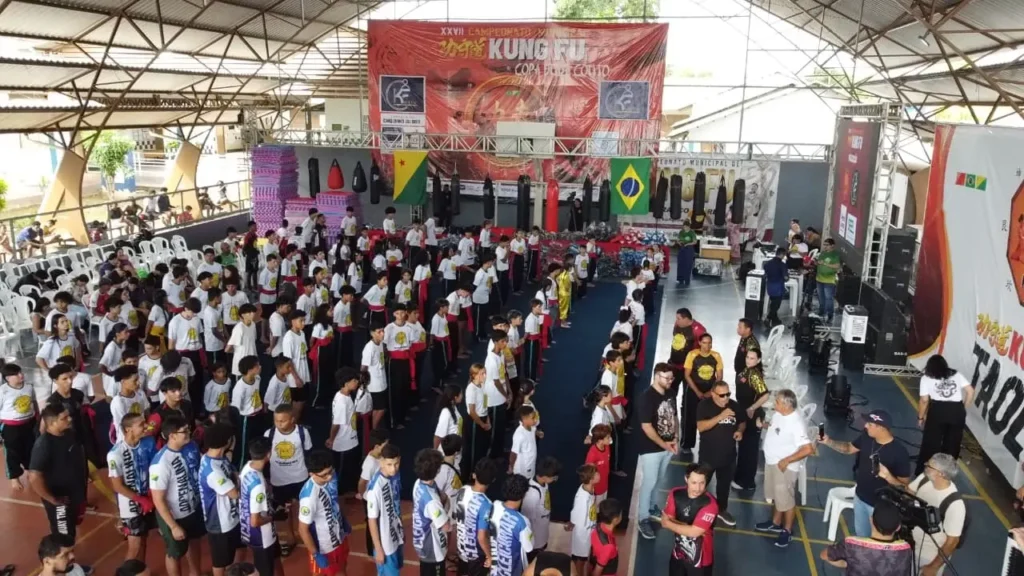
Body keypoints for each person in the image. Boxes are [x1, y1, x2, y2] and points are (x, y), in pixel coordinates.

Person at [820, 409, 912, 538]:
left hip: (879, 507)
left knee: (878, 540)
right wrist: (828, 441)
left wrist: (888, 477)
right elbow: (849, 448)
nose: (865, 426)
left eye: (869, 424)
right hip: (860, 498)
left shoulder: (899, 453)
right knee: (861, 535)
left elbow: (904, 487)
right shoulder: (867, 437)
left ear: (881, 428)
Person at [753, 389, 813, 547]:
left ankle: (787, 530)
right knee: (777, 496)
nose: (774, 404)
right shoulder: (779, 414)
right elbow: (774, 427)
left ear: (787, 405)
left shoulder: (796, 423)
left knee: (787, 500)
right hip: (772, 462)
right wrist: (763, 425)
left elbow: (808, 449)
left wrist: (787, 460)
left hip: (784, 467)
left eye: (777, 402)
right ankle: (775, 522)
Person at [150, 415, 205, 576]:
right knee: (175, 553)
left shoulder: (191, 446)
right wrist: (173, 526)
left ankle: (195, 573)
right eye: (184, 431)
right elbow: (158, 499)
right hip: (175, 515)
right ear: (172, 436)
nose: (189, 433)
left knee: (194, 541)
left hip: (193, 508)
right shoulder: (161, 463)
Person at [29, 403, 88, 542]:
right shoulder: (44, 445)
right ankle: (64, 556)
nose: (70, 419)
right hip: (60, 499)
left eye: (68, 416)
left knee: (71, 529)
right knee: (63, 537)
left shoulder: (69, 434)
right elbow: (34, 477)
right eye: (64, 418)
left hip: (74, 493)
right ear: (52, 423)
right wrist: (52, 499)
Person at [108, 413, 159, 563]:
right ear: (128, 429)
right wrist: (140, 500)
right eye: (141, 424)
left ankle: (139, 570)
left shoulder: (149, 442)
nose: (146, 426)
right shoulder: (115, 454)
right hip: (129, 503)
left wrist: (150, 494)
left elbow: (155, 468)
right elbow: (117, 485)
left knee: (143, 539)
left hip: (148, 497)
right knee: (135, 545)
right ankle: (126, 572)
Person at [635, 363, 678, 540]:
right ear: (656, 376)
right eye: (667, 378)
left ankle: (652, 507)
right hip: (651, 448)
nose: (670, 381)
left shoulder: (671, 393)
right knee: (650, 481)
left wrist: (676, 437)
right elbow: (646, 427)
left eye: (671, 378)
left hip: (668, 445)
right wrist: (664, 444)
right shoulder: (646, 398)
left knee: (659, 479)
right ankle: (643, 517)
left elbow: (674, 416)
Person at [694, 381, 745, 527]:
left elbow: (742, 422)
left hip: (728, 457)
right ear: (713, 394)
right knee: (700, 485)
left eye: (728, 394)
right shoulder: (704, 406)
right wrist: (720, 416)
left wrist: (740, 431)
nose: (726, 398)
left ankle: (722, 510)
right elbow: (701, 427)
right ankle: (695, 509)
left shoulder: (734, 405)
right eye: (722, 395)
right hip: (708, 457)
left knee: (724, 487)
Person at [907, 453, 966, 576]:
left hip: (928, 556)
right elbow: (909, 491)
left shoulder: (955, 505)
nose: (925, 466)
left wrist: (933, 567)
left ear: (941, 474)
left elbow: (952, 541)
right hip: (909, 544)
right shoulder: (925, 478)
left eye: (929, 466)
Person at [916, 354, 974, 474]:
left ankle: (926, 470)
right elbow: (970, 391)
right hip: (957, 410)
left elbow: (924, 400)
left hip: (938, 410)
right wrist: (963, 407)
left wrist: (920, 417)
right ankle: (948, 472)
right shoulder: (956, 374)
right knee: (953, 442)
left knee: (931, 442)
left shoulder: (926, 378)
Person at [297, 449, 352, 576]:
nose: (329, 477)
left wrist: (342, 518)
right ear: (312, 474)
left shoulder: (331, 476)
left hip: (339, 536)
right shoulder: (309, 498)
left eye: (330, 471)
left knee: (342, 568)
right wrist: (315, 554)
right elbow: (302, 529)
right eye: (324, 475)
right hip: (324, 546)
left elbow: (334, 499)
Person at [820, 502, 913, 575]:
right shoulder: (906, 549)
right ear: (898, 527)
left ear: (871, 520)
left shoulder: (851, 545)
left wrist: (846, 563)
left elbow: (824, 555)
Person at [662, 463, 718, 576]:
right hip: (678, 554)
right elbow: (667, 520)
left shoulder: (710, 504)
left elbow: (694, 532)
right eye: (694, 483)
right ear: (686, 479)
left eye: (702, 483)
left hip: (701, 562)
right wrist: (689, 528)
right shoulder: (675, 494)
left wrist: (670, 524)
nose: (698, 488)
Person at [239, 438, 283, 576]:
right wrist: (274, 517)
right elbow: (255, 521)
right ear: (268, 454)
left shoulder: (247, 467)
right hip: (262, 537)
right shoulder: (258, 485)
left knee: (274, 562)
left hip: (250, 530)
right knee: (265, 572)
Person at [733, 348, 769, 491]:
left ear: (758, 360)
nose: (749, 360)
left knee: (749, 449)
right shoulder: (746, 371)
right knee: (743, 447)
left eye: (752, 358)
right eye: (748, 357)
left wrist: (752, 408)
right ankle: (740, 477)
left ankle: (747, 482)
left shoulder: (754, 375)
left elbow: (765, 395)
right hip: (743, 412)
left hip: (751, 416)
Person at [454, 458, 498, 576]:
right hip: (475, 557)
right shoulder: (486, 504)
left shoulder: (462, 490)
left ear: (474, 475)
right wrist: (489, 556)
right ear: (493, 480)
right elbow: (481, 536)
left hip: (461, 550)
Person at [365, 443, 404, 576]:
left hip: (395, 536)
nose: (393, 468)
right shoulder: (375, 488)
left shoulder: (395, 476)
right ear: (381, 462)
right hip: (385, 544)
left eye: (396, 463)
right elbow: (372, 520)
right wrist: (378, 549)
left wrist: (400, 531)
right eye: (389, 464)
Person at [682, 334, 722, 455]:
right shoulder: (692, 355)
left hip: (710, 389)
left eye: (709, 343)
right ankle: (687, 444)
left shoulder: (716, 356)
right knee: (690, 417)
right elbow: (687, 375)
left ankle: (708, 443)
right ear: (699, 343)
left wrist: (711, 392)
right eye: (704, 343)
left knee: (710, 417)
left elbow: (719, 376)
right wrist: (697, 392)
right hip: (693, 389)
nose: (707, 346)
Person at [411, 449, 449, 576]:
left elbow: (442, 496)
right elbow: (446, 526)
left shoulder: (418, 483)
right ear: (437, 470)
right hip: (433, 549)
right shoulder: (432, 501)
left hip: (422, 541)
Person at [490, 474, 534, 576]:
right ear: (523, 495)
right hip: (512, 570)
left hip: (495, 567)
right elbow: (529, 547)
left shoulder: (495, 505)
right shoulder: (522, 521)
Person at [523, 457, 560, 562]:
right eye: (554, 477)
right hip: (535, 541)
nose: (555, 479)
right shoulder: (532, 494)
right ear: (544, 477)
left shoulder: (545, 484)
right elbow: (528, 522)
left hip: (542, 534)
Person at [568, 464, 598, 576]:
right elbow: (577, 517)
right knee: (579, 561)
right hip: (582, 535)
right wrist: (571, 524)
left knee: (584, 559)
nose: (599, 475)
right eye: (596, 473)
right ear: (591, 478)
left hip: (589, 531)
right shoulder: (582, 498)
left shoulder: (590, 488)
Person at [589, 499, 622, 576]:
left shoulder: (598, 526)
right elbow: (596, 573)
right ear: (615, 520)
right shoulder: (608, 547)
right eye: (620, 514)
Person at [815, 238, 840, 324]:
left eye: (827, 245)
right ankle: (822, 312)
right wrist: (817, 263)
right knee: (821, 297)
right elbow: (819, 262)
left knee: (829, 298)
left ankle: (830, 315)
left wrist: (825, 263)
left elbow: (837, 266)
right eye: (824, 245)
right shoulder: (822, 253)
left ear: (832, 245)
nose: (825, 246)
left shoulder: (835, 254)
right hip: (819, 279)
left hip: (829, 280)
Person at [763, 248, 788, 327]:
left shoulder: (767, 263)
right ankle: (768, 318)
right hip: (778, 287)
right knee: (776, 305)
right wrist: (787, 278)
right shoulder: (782, 265)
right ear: (782, 254)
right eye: (784, 255)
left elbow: (766, 273)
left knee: (773, 303)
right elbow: (786, 277)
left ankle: (775, 319)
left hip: (770, 286)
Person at [676, 221, 697, 286]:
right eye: (684, 226)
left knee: (688, 264)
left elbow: (695, 242)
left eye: (686, 227)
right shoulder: (681, 232)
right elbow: (678, 239)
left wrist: (688, 244)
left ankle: (687, 279)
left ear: (689, 226)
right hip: (682, 248)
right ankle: (680, 279)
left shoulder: (692, 232)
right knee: (680, 263)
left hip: (689, 249)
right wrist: (679, 242)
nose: (685, 228)